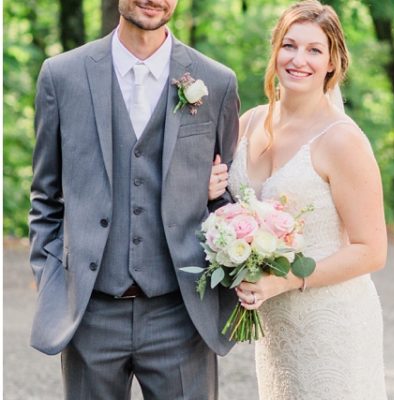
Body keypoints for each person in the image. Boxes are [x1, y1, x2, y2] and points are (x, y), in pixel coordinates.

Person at [28, 0, 239, 398]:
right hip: (90, 314)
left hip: (181, 314)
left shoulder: (216, 81)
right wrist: (53, 282)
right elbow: (45, 196)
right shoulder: (62, 76)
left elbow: (225, 198)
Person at [209, 1, 388, 398]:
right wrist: (210, 190)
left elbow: (371, 250)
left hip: (332, 322)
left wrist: (285, 280)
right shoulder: (249, 122)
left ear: (332, 62)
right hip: (276, 329)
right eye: (289, 45)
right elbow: (225, 204)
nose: (298, 59)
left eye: (314, 50)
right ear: (275, 50)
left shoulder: (342, 140)